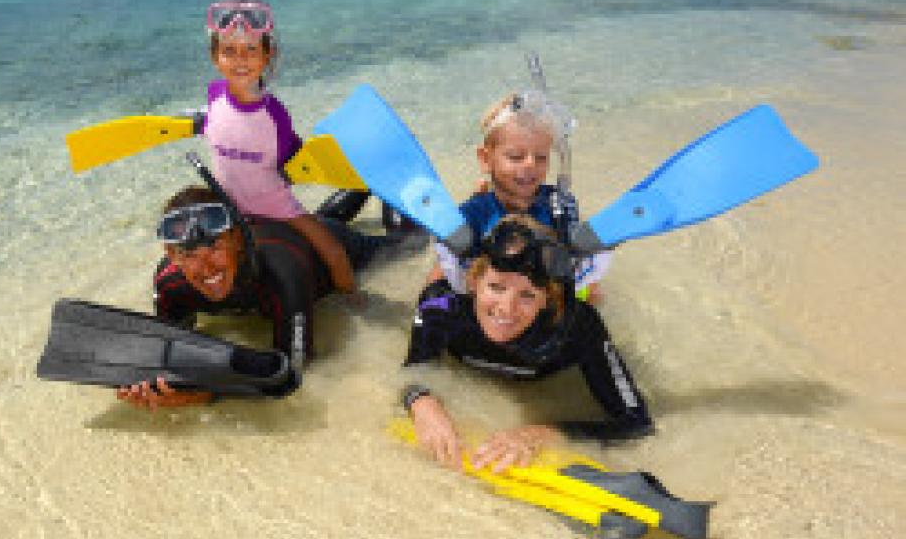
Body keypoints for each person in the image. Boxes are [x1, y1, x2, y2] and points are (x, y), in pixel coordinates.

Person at [117, 186, 407, 411]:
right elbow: (173, 352)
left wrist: (203, 396)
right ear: (171, 255)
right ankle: (356, 186)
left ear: (238, 239)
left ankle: (386, 174)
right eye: (189, 254)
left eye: (215, 248)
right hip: (292, 235)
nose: (206, 268)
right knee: (320, 219)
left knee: (408, 243)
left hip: (330, 248)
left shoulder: (281, 273)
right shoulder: (170, 285)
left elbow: (294, 374)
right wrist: (155, 385)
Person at [403, 217, 654, 473]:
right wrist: (422, 402)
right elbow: (413, 370)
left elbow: (637, 422)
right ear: (473, 281)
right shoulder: (441, 306)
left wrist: (544, 434)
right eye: (496, 287)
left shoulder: (578, 326)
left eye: (527, 295)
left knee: (592, 295)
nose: (506, 308)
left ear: (548, 298)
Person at [199, 0, 358, 294]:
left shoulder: (274, 114)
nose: (240, 59)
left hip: (276, 207)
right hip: (229, 207)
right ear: (215, 57)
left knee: (335, 252)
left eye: (250, 50)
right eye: (229, 51)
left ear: (267, 55)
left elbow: (294, 159)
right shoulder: (214, 94)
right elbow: (216, 123)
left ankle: (354, 304)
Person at [429, 90, 606, 300]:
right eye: (515, 156)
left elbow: (582, 269)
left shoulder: (558, 205)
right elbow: (442, 273)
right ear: (485, 159)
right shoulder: (472, 217)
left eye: (541, 157)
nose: (530, 164)